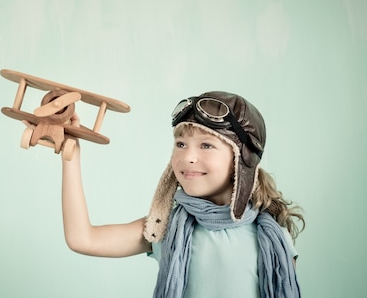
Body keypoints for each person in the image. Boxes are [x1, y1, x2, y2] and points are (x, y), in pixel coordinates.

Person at [61, 91, 305, 298]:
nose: (187, 157)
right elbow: (82, 239)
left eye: (206, 145)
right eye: (181, 144)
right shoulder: (163, 228)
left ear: (242, 160)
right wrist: (71, 156)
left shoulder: (274, 241)